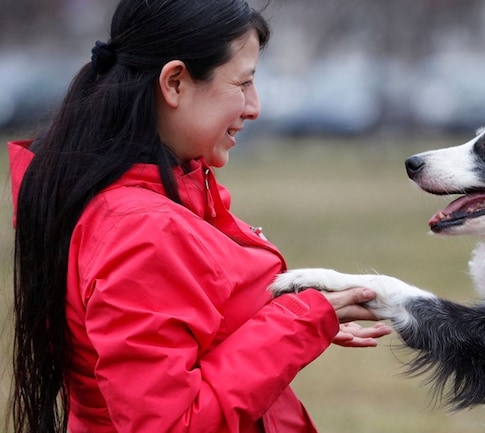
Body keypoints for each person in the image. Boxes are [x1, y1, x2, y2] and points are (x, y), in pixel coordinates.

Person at [8, 0, 391, 432]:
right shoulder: (142, 231)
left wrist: (281, 316)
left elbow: (187, 326)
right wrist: (294, 324)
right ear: (174, 83)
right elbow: (172, 423)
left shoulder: (143, 197)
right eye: (243, 83)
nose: (255, 106)